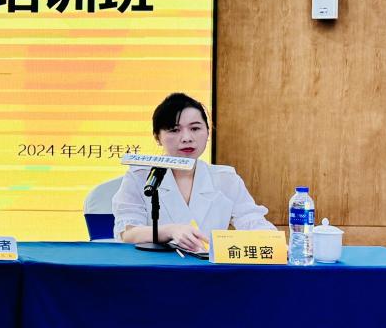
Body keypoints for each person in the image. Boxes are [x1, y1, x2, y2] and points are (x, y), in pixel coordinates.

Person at [113, 92, 273, 251]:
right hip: (157, 264)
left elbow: (251, 219)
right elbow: (128, 233)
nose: (187, 138)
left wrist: (272, 241)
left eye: (195, 128)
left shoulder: (226, 178)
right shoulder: (140, 176)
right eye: (174, 130)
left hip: (209, 265)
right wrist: (170, 231)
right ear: (157, 137)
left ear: (208, 132)